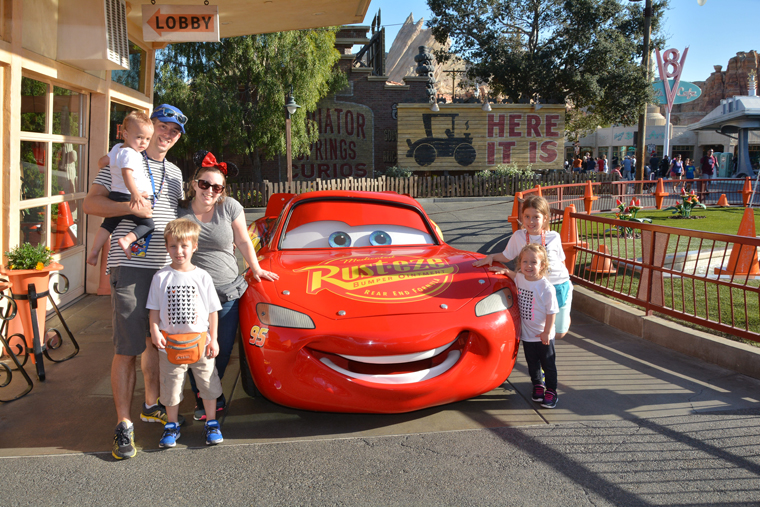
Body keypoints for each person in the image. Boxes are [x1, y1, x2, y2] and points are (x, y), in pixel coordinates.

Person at [83, 104, 187, 460]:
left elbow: (177, 217)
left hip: (165, 270)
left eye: (175, 131)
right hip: (129, 266)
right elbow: (91, 204)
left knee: (156, 343)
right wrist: (132, 208)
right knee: (127, 347)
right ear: (148, 127)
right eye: (164, 126)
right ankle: (124, 424)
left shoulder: (174, 172)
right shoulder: (124, 158)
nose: (168, 134)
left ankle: (150, 405)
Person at [177, 151, 279, 421]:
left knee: (219, 348)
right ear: (194, 183)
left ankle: (212, 389)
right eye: (204, 184)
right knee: (193, 347)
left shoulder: (230, 206)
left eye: (216, 187)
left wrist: (256, 269)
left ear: (222, 190)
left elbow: (244, 241)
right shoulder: (180, 211)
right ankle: (205, 394)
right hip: (191, 295)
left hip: (227, 292)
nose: (210, 190)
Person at [147, 218, 224, 447]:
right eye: (173, 246)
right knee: (170, 387)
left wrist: (214, 339)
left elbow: (213, 311)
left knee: (208, 384)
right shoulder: (160, 277)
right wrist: (154, 332)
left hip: (201, 343)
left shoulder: (202, 276)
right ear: (167, 246)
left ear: (194, 246)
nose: (178, 251)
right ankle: (171, 425)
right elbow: (154, 310)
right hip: (169, 345)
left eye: (184, 246)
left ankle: (211, 422)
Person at [472, 194, 572, 339]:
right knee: (544, 325)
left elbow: (561, 261)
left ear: (544, 218)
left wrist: (566, 281)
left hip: (558, 284)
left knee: (559, 333)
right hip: (535, 287)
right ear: (522, 217)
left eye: (536, 217)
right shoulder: (518, 236)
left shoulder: (554, 237)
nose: (530, 221)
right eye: (527, 216)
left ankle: (566, 316)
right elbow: (507, 255)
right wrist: (491, 257)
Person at [486, 243, 559, 408]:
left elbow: (552, 311)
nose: (528, 266)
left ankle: (552, 391)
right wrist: (504, 271)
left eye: (533, 262)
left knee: (548, 364)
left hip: (542, 334)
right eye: (525, 262)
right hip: (527, 335)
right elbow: (512, 275)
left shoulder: (546, 288)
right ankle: (538, 385)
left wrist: (547, 332)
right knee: (532, 364)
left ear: (542, 265)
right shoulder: (520, 277)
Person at [87, 112, 155, 266]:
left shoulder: (117, 148)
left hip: (116, 194)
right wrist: (136, 194)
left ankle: (95, 250)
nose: (143, 142)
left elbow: (102, 161)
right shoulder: (131, 153)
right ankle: (127, 240)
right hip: (127, 195)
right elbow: (127, 174)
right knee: (148, 225)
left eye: (147, 139)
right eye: (139, 137)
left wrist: (105, 165)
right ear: (125, 134)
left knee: (108, 225)